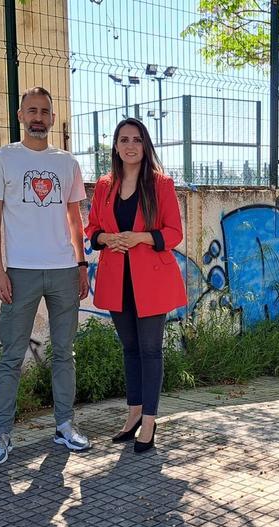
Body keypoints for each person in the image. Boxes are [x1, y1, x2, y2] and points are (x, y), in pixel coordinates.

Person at [0, 86, 91, 465]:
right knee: (11, 356)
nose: (39, 117)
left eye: (45, 111)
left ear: (53, 118)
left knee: (64, 354)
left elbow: (75, 219)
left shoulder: (67, 163)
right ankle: (2, 434)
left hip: (63, 271)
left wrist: (81, 265)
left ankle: (64, 426)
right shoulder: (4, 158)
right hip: (21, 272)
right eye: (32, 110)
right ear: (20, 116)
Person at [85, 118, 186, 453]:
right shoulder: (104, 185)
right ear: (115, 146)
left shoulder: (161, 184)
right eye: (124, 139)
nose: (130, 145)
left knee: (150, 350)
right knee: (130, 351)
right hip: (118, 280)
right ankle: (132, 416)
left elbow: (174, 233)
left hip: (151, 281)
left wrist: (141, 237)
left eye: (137, 140)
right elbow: (93, 229)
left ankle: (150, 422)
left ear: (146, 146)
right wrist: (106, 238)